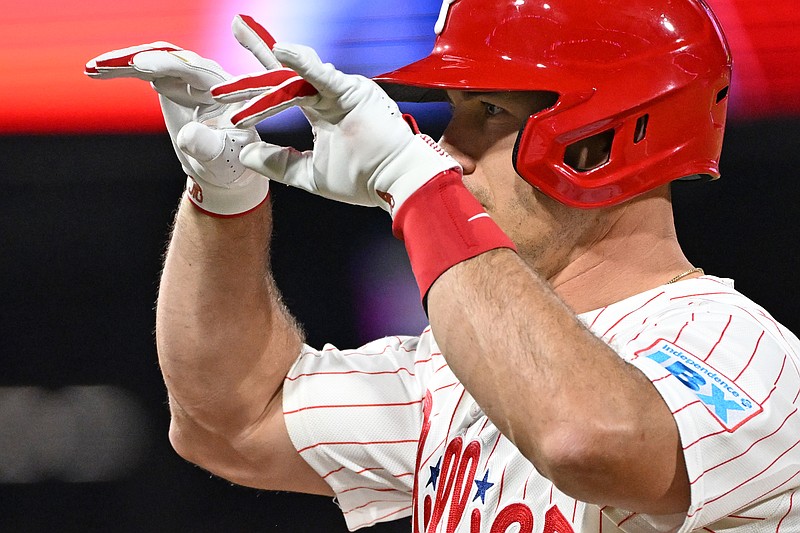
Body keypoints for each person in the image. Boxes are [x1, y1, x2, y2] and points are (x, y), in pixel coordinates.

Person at [85, 1, 800, 531]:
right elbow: (230, 420)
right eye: (453, 110)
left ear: (600, 142)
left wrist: (417, 187)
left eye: (487, 110)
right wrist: (224, 195)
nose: (447, 148)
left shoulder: (743, 348)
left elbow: (591, 439)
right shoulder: (458, 370)